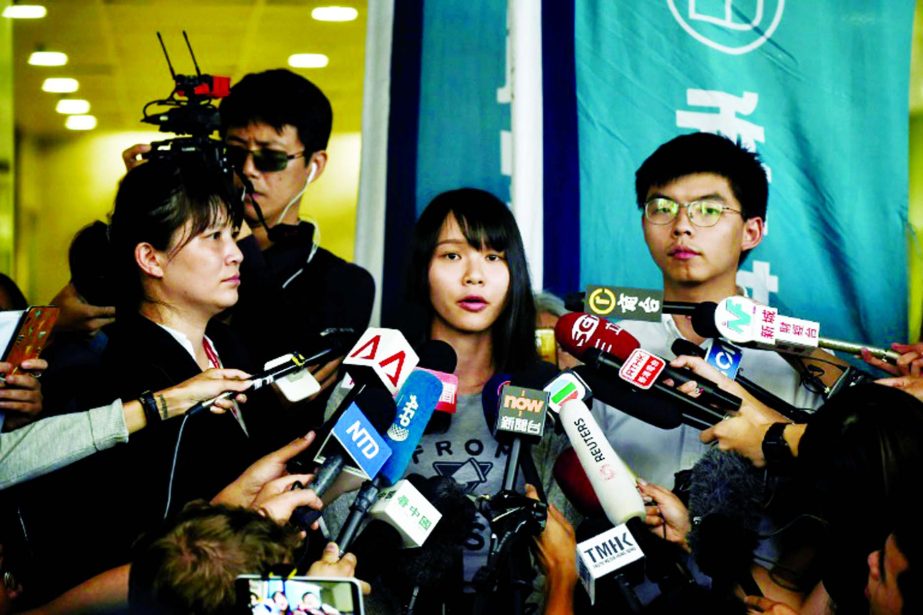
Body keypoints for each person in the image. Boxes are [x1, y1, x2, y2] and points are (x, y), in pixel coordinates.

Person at [323, 188, 570, 614]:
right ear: (423, 270)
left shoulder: (542, 394)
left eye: (493, 257)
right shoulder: (370, 387)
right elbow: (339, 535)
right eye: (452, 256)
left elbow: (559, 544)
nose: (474, 275)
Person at [594, 131, 824, 489]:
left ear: (752, 231)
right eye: (662, 208)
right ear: (643, 224)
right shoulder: (614, 344)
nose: (682, 226)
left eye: (708, 210)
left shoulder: (795, 353)